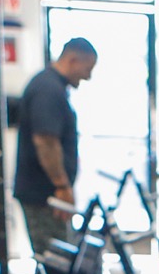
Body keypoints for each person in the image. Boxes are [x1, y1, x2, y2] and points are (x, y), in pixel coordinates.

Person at [12, 38, 97, 258]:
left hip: (48, 194)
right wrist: (61, 187)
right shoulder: (48, 89)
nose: (88, 76)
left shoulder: (51, 86)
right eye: (87, 69)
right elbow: (46, 141)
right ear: (72, 59)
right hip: (46, 196)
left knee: (57, 263)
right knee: (54, 264)